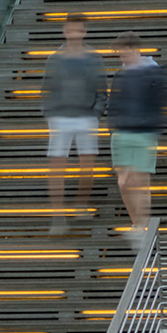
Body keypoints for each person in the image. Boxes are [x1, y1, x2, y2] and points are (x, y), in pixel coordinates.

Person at [41, 13, 106, 235]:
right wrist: (51, 114)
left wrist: (96, 113)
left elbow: (102, 88)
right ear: (64, 31)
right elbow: (47, 89)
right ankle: (58, 216)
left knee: (87, 167)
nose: (75, 34)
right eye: (70, 30)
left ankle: (80, 206)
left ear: (85, 31)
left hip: (87, 117)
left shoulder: (94, 57)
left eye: (79, 30)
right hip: (61, 118)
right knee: (57, 169)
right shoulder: (54, 58)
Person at [107, 32, 167, 247]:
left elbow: (162, 104)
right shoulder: (121, 75)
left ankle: (141, 228)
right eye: (119, 54)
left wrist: (153, 127)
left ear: (135, 49)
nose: (121, 57)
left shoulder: (154, 73)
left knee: (141, 182)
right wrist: (113, 127)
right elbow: (113, 101)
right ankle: (138, 225)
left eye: (124, 52)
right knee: (124, 182)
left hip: (144, 132)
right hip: (122, 132)